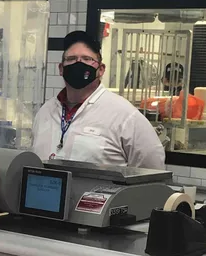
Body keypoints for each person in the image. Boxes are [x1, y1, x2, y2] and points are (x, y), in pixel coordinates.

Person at [32, 30, 165, 169]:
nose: (78, 63)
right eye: (71, 59)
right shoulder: (45, 112)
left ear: (101, 69)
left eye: (87, 59)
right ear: (61, 69)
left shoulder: (126, 116)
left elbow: (152, 174)